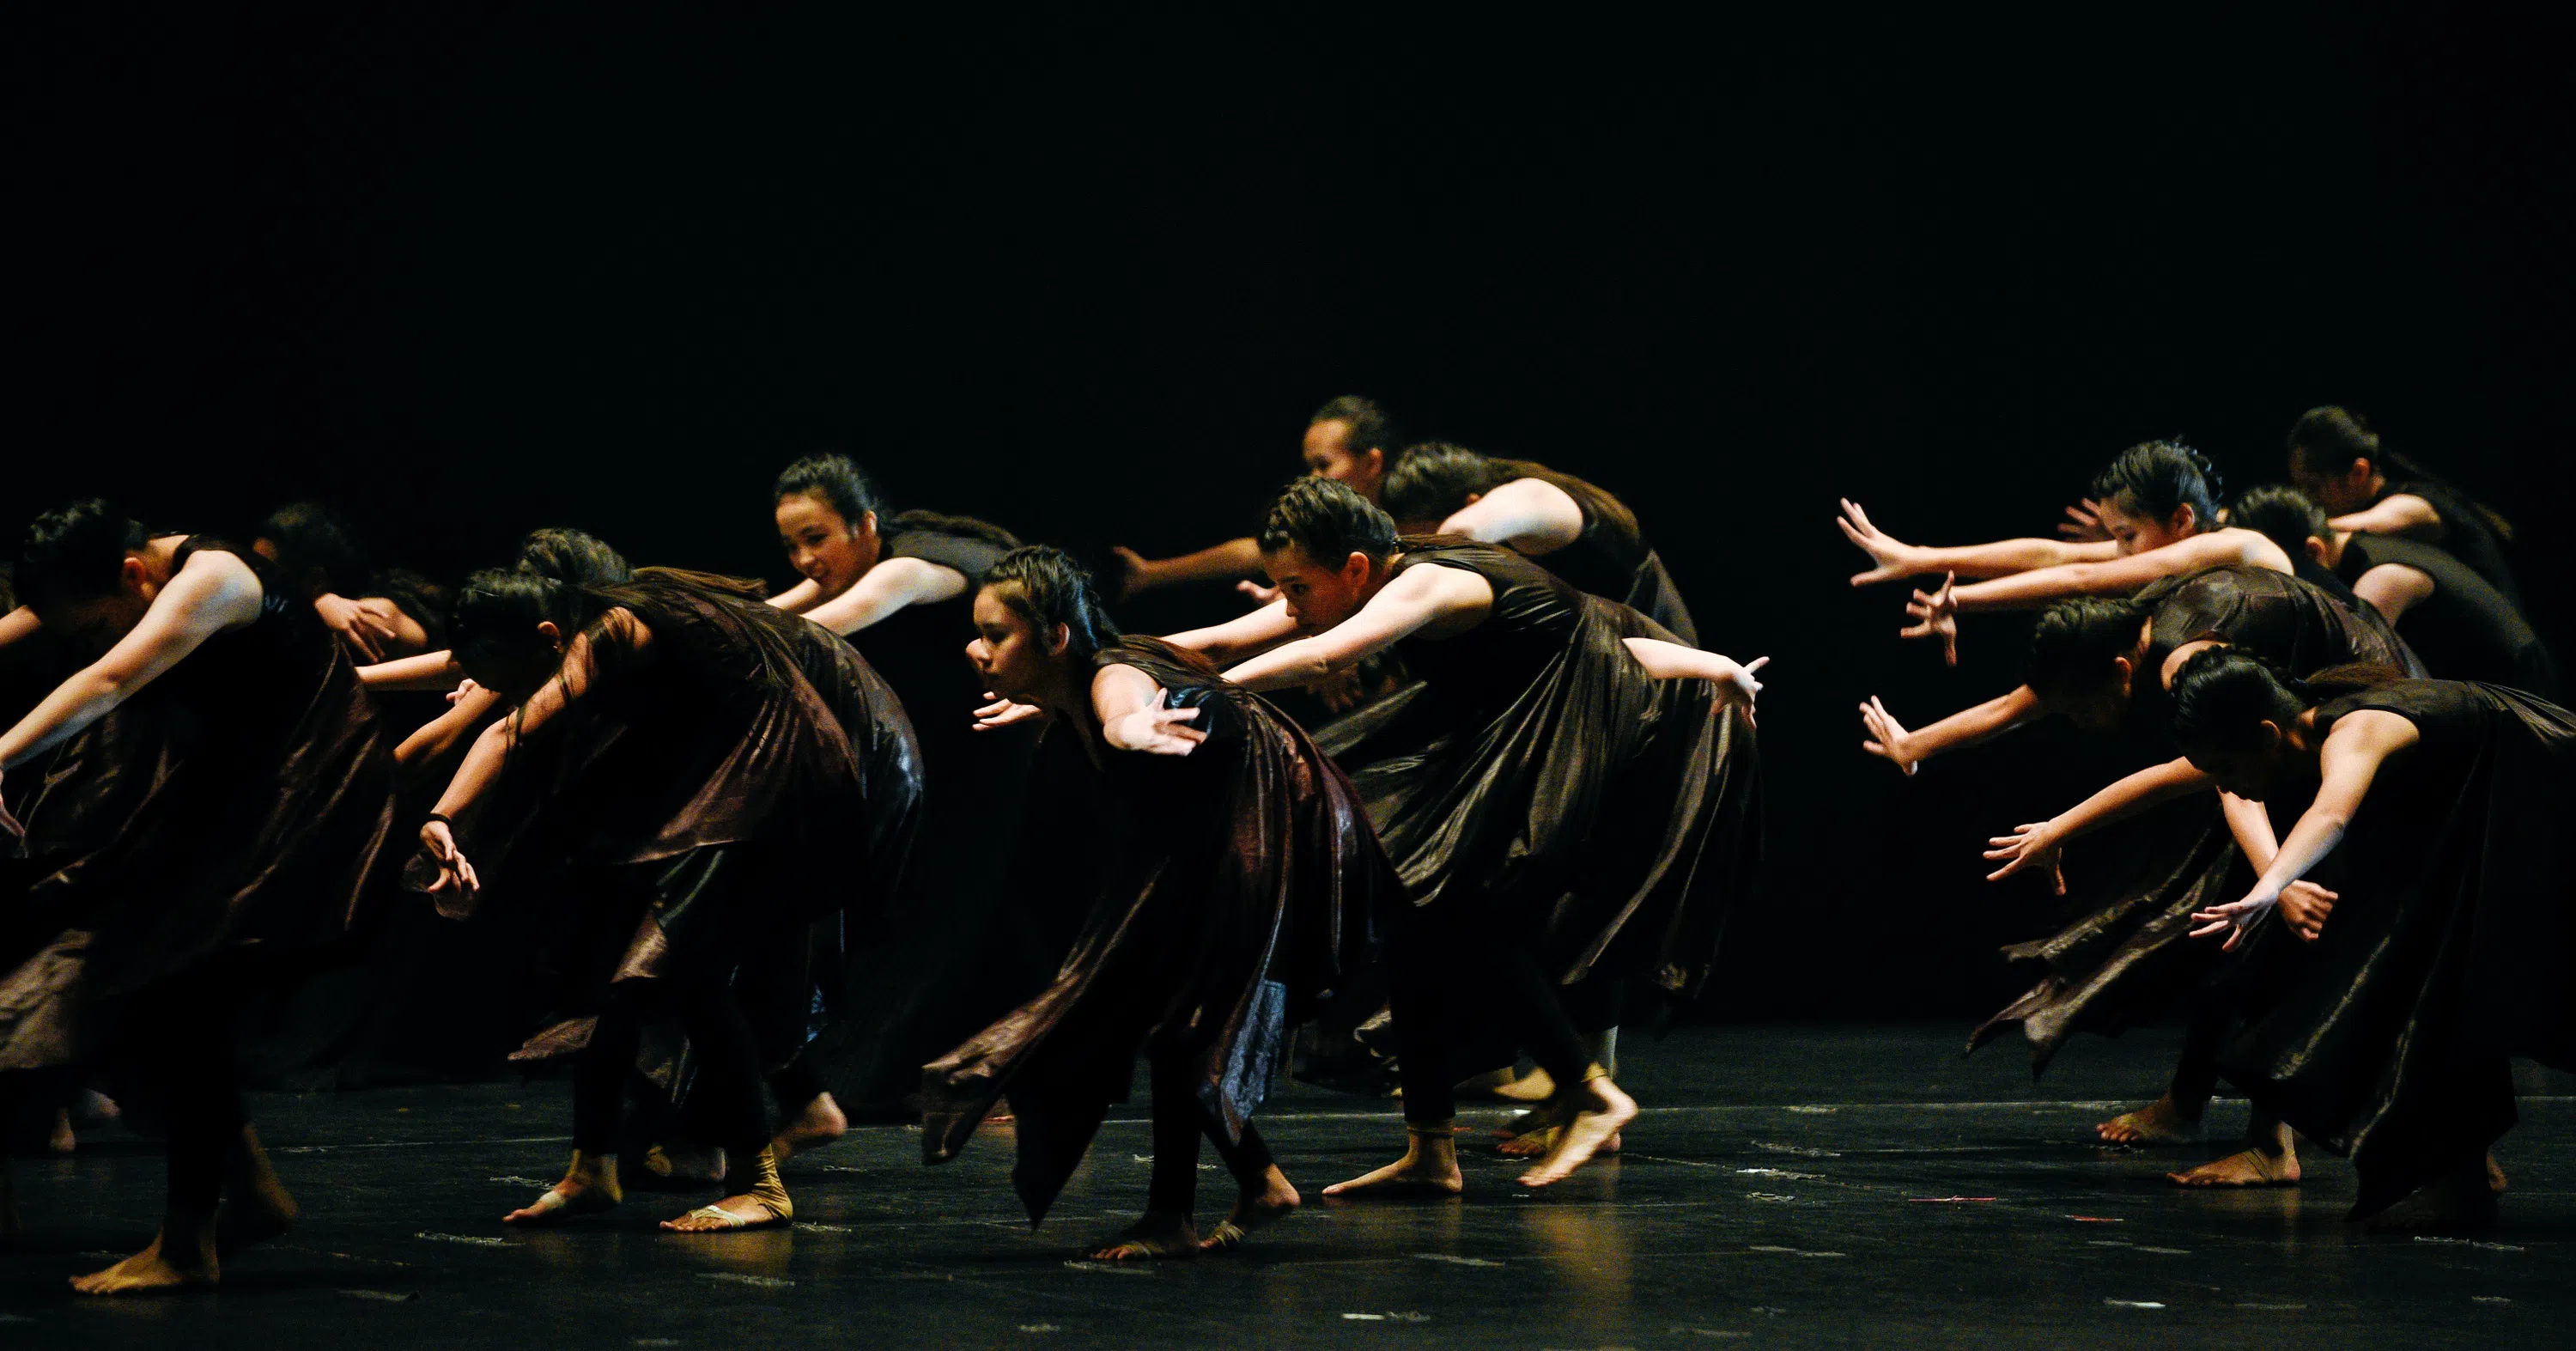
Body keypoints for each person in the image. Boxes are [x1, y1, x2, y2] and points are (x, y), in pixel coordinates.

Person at [1167, 479, 1764, 1193]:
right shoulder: (1401, 571)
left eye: (1297, 587)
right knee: (1411, 908)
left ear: (1356, 568)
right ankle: (1431, 1151)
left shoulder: (1433, 585)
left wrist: (1205, 697)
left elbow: (1327, 658)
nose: (1289, 606)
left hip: (1625, 740)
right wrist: (1101, 672)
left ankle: (1591, 1089)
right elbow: (1227, 638)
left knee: (1461, 909)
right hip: (1566, 719)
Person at [416, 564, 921, 1232]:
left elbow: (512, 731)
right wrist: (442, 821)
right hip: (729, 781)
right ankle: (591, 1169)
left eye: (517, 676)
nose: (515, 694)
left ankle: (760, 1186)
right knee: (632, 975)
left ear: (546, 633)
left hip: (779, 780)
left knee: (689, 975)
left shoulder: (616, 626)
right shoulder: (611, 626)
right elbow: (505, 721)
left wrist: (445, 814)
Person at [920, 546, 1391, 1260]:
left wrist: (1126, 728)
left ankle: (1185, 1209)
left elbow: (1123, 706)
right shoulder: (1089, 671)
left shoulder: (1112, 675)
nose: (976, 648)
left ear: (1057, 638)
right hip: (1218, 835)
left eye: (996, 634)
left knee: (1180, 1017)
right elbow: (1222, 642)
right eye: (979, 631)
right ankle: (1251, 1184)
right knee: (1169, 1019)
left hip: (1266, 828)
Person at [0, 502, 397, 1293]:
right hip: (228, 790)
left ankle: (188, 1244)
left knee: (171, 985)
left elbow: (110, 676)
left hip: (303, 793)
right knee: (128, 984)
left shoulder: (212, 577)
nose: (98, 634)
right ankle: (250, 1194)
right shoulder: (126, 564)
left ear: (131, 576)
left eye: (101, 619)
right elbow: (28, 630)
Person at [2167, 650, 2574, 1228]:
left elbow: (2331, 813)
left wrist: (2269, 886)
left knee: (2443, 975)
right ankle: (2462, 1169)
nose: (2229, 788)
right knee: (2427, 976)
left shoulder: (2354, 728)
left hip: (2551, 796)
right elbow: (2163, 782)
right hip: (2507, 817)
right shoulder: (2306, 730)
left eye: (2227, 770)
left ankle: (2460, 1170)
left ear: (2265, 733)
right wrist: (2060, 829)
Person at [762, 455, 1045, 1127]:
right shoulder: (858, 563)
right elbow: (770, 613)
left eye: (816, 537)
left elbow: (824, 624)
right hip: (946, 758)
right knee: (952, 912)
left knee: (963, 911)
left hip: (999, 755)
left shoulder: (908, 566)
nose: (804, 558)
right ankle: (965, 1073)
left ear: (864, 525)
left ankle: (1011, 1077)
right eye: (790, 545)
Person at [1841, 441, 2290, 669]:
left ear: (2181, 521)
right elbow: (2055, 557)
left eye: (2128, 535)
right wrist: (1921, 559)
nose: (2118, 552)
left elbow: (2078, 577)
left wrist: (1963, 600)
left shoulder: (2234, 545)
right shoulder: (2195, 550)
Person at [2232, 484, 2557, 697]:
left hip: (2519, 691)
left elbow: (2360, 667)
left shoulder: (2380, 578)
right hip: (2491, 687)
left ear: (2313, 552)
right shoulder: (2362, 550)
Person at [1377, 441, 1697, 645]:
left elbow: (1461, 531)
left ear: (1471, 501)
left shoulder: (1532, 494)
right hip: (1621, 671)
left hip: (1664, 680)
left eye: (1426, 536)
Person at [1110, 395, 1399, 599]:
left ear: (1372, 463)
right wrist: (1152, 572)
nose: (1312, 478)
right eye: (1310, 466)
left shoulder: (1415, 525)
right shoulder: (1331, 532)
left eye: (1323, 465)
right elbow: (1253, 552)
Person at [2286, 405, 2523, 611]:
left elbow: (2372, 521)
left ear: (2358, 472)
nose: (2310, 500)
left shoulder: (2416, 503)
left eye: (2314, 488)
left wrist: (2283, 528)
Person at [250, 501, 448, 664]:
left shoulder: (381, 606)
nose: (258, 582)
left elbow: (388, 622)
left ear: (316, 580)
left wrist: (319, 608)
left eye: (268, 573)